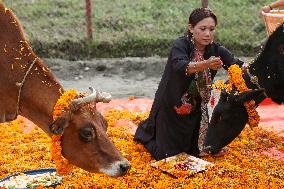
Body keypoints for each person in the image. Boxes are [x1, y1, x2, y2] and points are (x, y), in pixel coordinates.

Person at [134, 8, 244, 160]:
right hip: (173, 107)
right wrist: (206, 64)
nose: (207, 34)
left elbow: (237, 66)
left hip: (197, 109)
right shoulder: (181, 44)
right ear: (191, 28)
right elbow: (180, 66)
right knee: (166, 155)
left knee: (193, 152)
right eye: (202, 29)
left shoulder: (216, 49)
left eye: (211, 29)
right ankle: (149, 133)